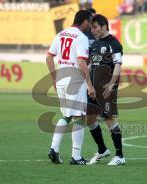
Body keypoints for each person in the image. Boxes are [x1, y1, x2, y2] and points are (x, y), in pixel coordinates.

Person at [46, 10, 95, 165]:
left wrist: (54, 78)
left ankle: (54, 148)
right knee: (79, 117)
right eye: (90, 22)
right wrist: (90, 85)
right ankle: (76, 156)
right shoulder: (81, 38)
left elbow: (49, 57)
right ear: (85, 21)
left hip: (61, 78)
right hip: (75, 81)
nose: (90, 25)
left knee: (66, 116)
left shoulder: (61, 33)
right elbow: (81, 63)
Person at [86, 14, 126, 165]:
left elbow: (117, 64)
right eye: (91, 27)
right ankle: (102, 149)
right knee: (89, 119)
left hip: (106, 88)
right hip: (93, 89)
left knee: (109, 119)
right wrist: (86, 80)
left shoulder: (113, 43)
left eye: (95, 27)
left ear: (104, 26)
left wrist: (111, 84)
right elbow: (91, 65)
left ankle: (120, 156)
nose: (92, 30)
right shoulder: (95, 44)